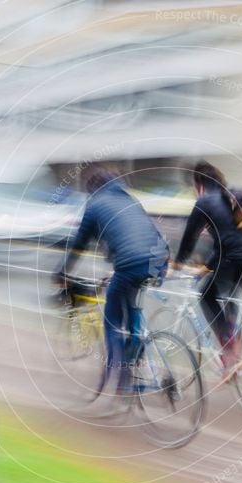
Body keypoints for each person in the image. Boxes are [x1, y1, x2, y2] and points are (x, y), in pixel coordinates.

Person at [54, 164, 169, 394]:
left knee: (113, 322)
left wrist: (61, 273)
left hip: (130, 263)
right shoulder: (130, 200)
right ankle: (136, 351)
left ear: (93, 189)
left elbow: (79, 244)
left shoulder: (95, 204)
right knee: (132, 304)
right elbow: (137, 235)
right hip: (158, 259)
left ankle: (123, 379)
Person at [172, 161, 242, 377]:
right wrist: (207, 267)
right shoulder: (232, 199)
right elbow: (230, 239)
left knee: (206, 296)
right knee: (230, 296)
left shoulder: (205, 202)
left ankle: (230, 352)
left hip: (236, 259)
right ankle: (233, 352)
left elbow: (190, 238)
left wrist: (177, 264)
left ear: (198, 183)